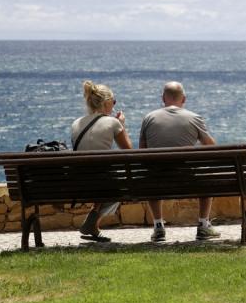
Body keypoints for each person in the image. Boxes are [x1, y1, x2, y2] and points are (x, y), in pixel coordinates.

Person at [140, 81, 220, 241]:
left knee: (152, 173)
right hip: (187, 180)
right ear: (183, 99)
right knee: (207, 177)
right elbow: (211, 146)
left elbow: (142, 151)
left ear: (163, 98)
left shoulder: (148, 118)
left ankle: (158, 227)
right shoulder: (194, 118)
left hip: (157, 181)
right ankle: (203, 225)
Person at [71, 80, 132, 241]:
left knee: (101, 178)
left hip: (79, 182)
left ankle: (92, 225)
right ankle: (93, 222)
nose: (114, 105)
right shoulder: (113, 122)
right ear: (106, 103)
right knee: (122, 186)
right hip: (102, 182)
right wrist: (121, 125)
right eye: (114, 102)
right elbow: (129, 151)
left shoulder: (76, 123)